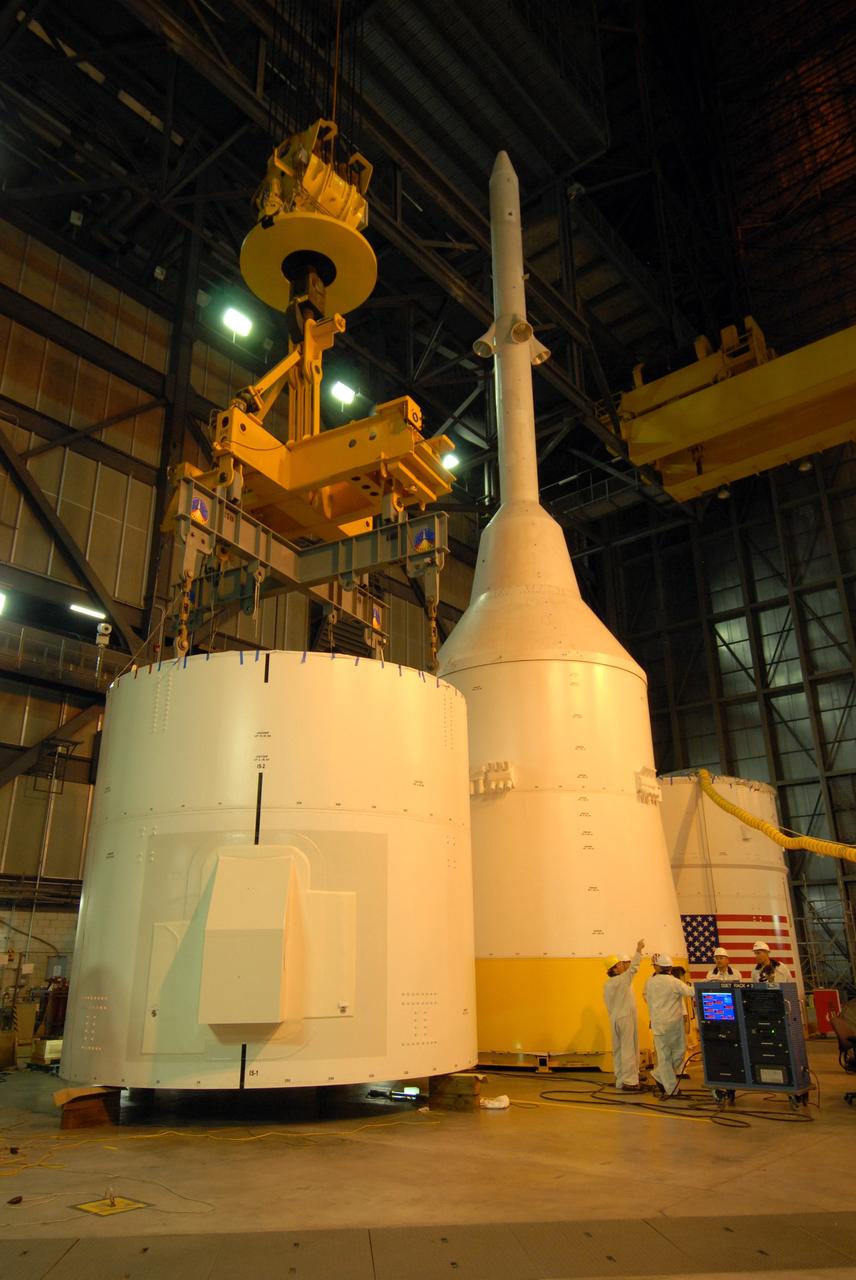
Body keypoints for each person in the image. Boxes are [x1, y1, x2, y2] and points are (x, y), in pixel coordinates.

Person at [644, 953, 695, 1099]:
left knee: (668, 1057)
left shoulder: (650, 981)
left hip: (660, 1025)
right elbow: (691, 992)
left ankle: (659, 1074)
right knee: (676, 1055)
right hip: (672, 1025)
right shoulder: (674, 982)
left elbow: (646, 997)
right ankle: (671, 1089)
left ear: (659, 966)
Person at [603, 939, 646, 1092]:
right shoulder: (622, 980)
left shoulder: (608, 984)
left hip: (615, 1019)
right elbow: (634, 968)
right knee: (628, 1049)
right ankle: (630, 1081)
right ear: (614, 969)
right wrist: (639, 950)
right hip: (624, 1018)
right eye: (620, 965)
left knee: (619, 1049)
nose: (623, 966)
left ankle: (621, 1079)